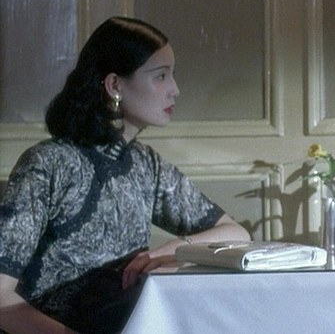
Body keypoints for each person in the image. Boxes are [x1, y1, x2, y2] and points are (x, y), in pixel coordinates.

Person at [0, 17, 251, 334]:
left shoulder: (145, 164)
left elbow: (236, 233)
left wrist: (167, 251)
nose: (175, 90)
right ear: (115, 85)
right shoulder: (48, 164)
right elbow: (1, 299)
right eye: (161, 76)